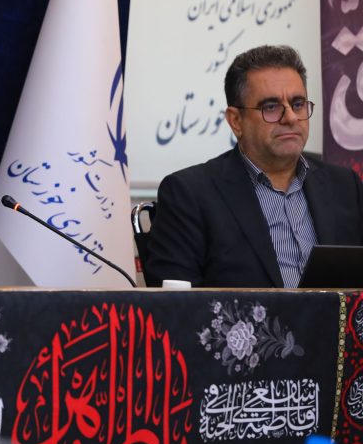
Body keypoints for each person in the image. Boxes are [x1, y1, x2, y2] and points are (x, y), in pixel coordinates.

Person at [146, 45, 363, 287]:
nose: (291, 118)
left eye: (298, 104)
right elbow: (175, 303)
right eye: (271, 107)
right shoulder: (189, 194)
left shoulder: (345, 186)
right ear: (236, 121)